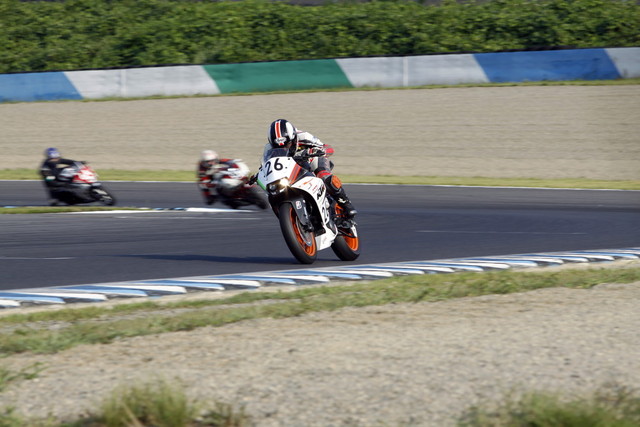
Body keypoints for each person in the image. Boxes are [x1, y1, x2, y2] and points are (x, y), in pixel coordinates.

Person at [262, 119, 357, 218]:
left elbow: (328, 148)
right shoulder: (269, 148)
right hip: (290, 170)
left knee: (323, 175)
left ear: (293, 138)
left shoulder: (304, 136)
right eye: (278, 147)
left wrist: (317, 151)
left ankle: (345, 203)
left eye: (288, 144)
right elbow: (266, 164)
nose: (285, 147)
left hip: (310, 161)